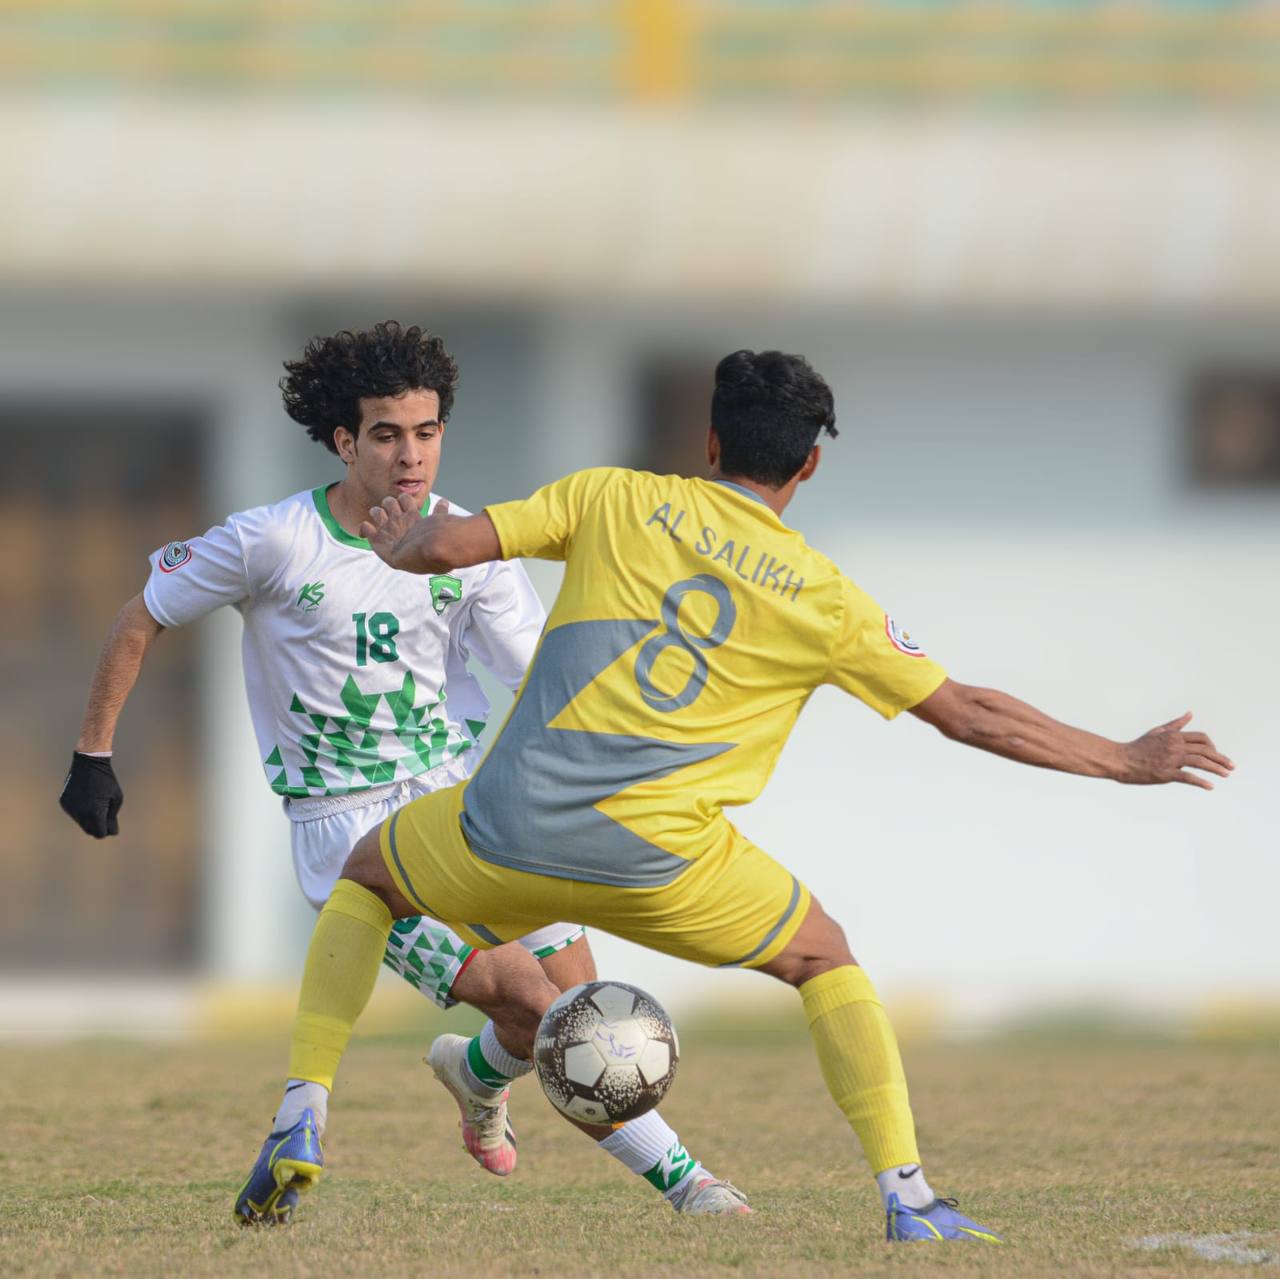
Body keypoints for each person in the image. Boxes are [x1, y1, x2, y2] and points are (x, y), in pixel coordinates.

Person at [242, 348, 1234, 1242]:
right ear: (807, 466)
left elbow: (446, 548)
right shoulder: (823, 594)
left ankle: (306, 1100)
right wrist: (1122, 758)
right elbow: (967, 713)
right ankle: (907, 1196)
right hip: (658, 861)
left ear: (708, 442)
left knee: (366, 882)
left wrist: (396, 542)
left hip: (503, 827)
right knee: (821, 955)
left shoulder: (615, 497)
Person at [59, 322, 745, 1224]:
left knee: (573, 990)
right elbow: (140, 614)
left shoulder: (470, 552)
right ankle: (689, 1183)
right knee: (542, 1008)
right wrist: (93, 754)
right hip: (349, 829)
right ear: (344, 442)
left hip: (463, 804)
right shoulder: (271, 540)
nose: (410, 453)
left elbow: (538, 684)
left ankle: (472, 1074)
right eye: (386, 434)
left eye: (425, 431)